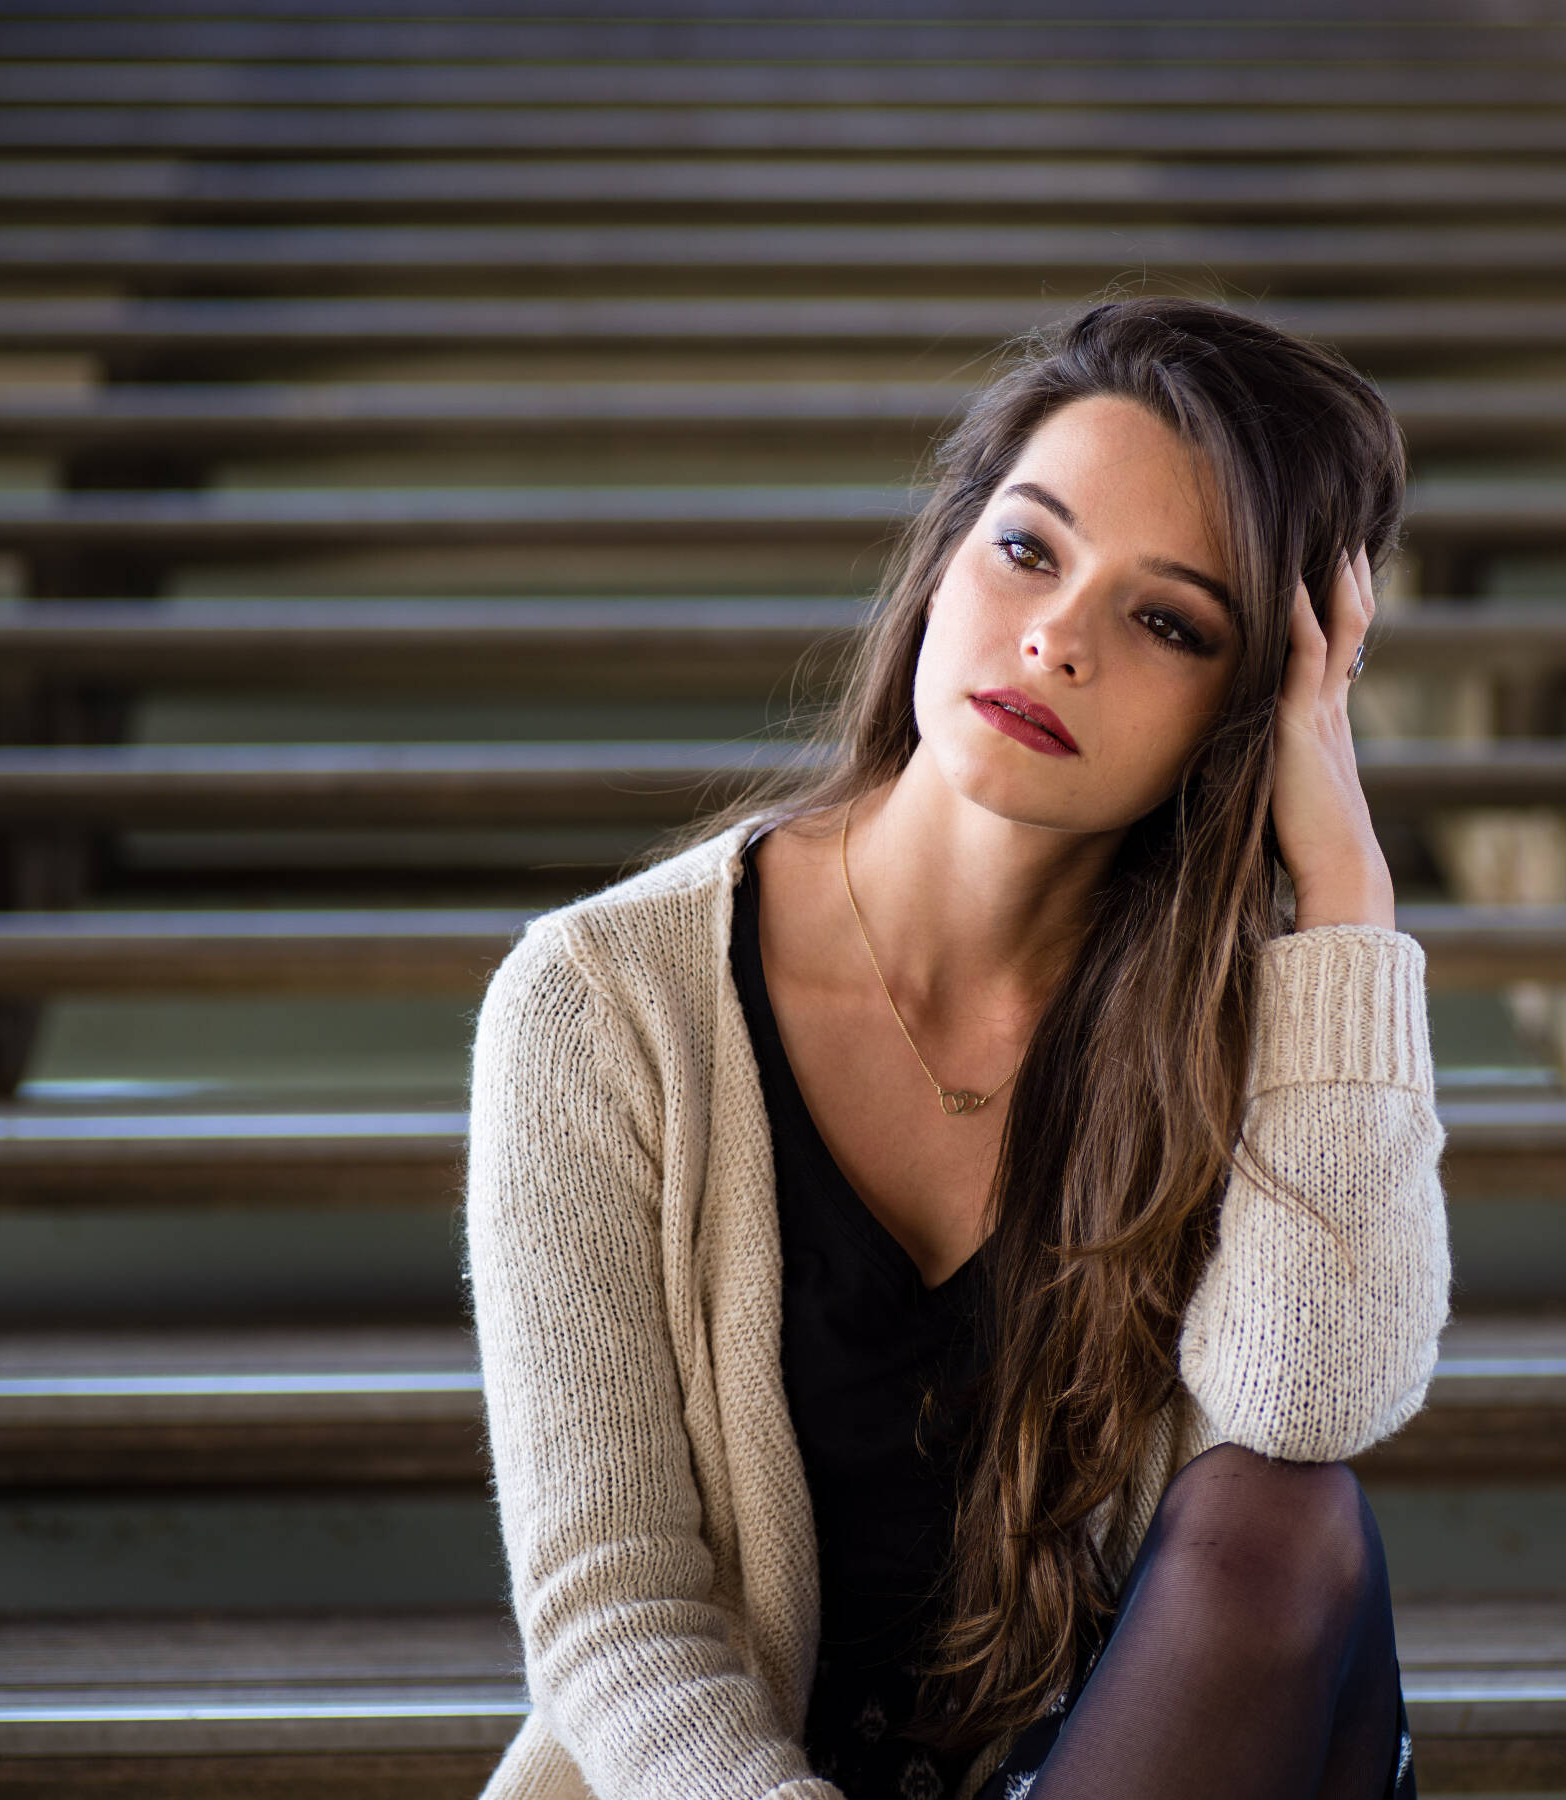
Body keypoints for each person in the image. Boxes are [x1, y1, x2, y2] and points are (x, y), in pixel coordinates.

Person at [466, 296, 1452, 1800]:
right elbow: (616, 1620)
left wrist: (1347, 901)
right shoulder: (603, 1007)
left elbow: (1304, 1403)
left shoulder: (1261, 1029)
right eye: (1028, 548)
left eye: (1167, 620)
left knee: (1284, 1523)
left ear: (1248, 717)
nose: (1058, 637)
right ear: (941, 561)